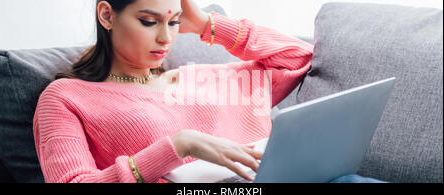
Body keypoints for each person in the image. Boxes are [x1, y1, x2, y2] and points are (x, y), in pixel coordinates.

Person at [33, 0, 385, 183]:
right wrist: (178, 146)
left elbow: (300, 57)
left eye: (172, 22)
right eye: (148, 21)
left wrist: (205, 24)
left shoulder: (205, 78)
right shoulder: (66, 97)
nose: (166, 38)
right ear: (107, 15)